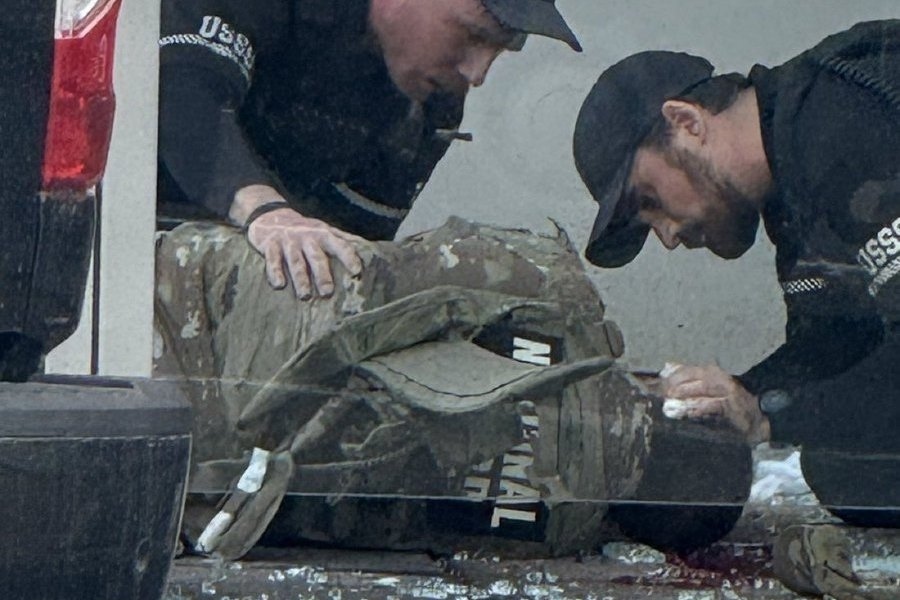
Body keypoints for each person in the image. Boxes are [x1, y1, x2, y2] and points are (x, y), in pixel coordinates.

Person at [573, 20, 900, 512]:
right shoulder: (790, 172)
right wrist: (734, 398)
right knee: (844, 471)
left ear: (687, 122)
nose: (667, 236)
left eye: (650, 200)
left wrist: (766, 416)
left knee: (850, 472)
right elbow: (841, 345)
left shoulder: (844, 119)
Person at [158, 0, 581, 299]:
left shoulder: (430, 100)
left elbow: (350, 261)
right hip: (141, 289)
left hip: (265, 324)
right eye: (473, 35)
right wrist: (267, 213)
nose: (477, 73)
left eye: (501, 49)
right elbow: (177, 92)